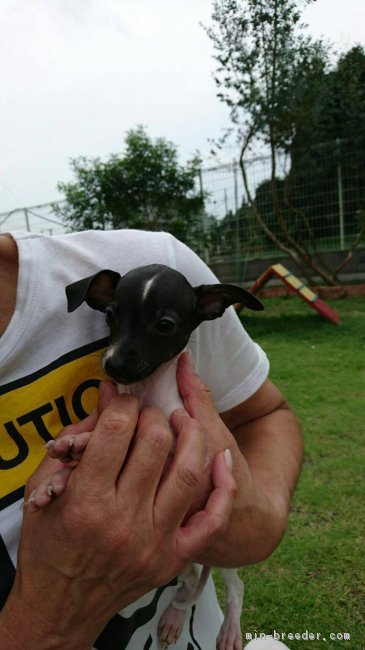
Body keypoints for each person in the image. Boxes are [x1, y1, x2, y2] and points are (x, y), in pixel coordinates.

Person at [0, 229, 303, 649]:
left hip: (196, 572)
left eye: (161, 327)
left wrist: (253, 524)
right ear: (101, 299)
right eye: (115, 321)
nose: (120, 354)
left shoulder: (161, 254)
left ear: (210, 308)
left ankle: (230, 606)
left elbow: (260, 420)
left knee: (205, 564)